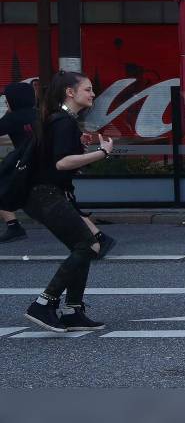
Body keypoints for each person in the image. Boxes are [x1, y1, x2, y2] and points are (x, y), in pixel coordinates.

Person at [23, 71, 115, 332]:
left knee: (86, 246)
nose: (93, 94)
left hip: (49, 193)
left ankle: (73, 310)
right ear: (70, 92)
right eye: (88, 89)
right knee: (87, 244)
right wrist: (101, 153)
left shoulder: (61, 120)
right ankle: (43, 303)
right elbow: (61, 163)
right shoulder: (63, 122)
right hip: (46, 194)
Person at [0, 82, 38, 242]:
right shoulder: (39, 114)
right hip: (44, 163)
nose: (4, 102)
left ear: (14, 100)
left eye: (6, 99)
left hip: (24, 165)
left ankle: (13, 226)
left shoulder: (14, 118)